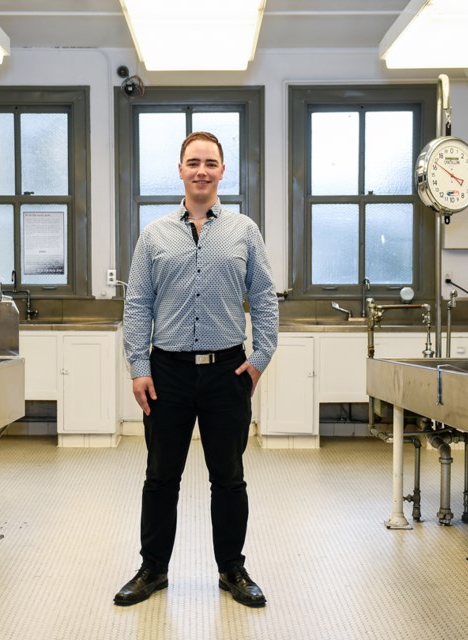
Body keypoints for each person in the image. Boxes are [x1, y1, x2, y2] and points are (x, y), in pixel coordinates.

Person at [115, 131, 279, 608]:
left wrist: (259, 359)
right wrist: (138, 367)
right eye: (193, 162)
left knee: (228, 476)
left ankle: (232, 570)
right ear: (181, 170)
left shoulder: (244, 231)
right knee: (160, 475)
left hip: (228, 372)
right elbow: (137, 304)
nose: (201, 170)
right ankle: (153, 570)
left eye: (210, 162)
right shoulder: (154, 235)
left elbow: (265, 297)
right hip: (167, 373)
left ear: (222, 170)